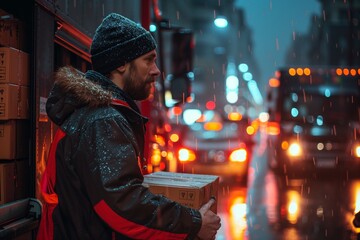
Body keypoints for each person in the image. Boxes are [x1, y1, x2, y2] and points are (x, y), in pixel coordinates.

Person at [37, 12, 221, 240]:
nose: (156, 71)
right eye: (149, 60)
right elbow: (122, 204)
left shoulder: (98, 115)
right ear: (122, 64)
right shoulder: (102, 121)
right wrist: (195, 223)